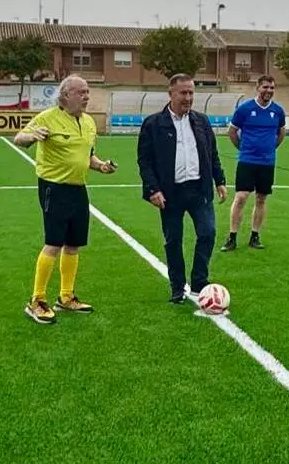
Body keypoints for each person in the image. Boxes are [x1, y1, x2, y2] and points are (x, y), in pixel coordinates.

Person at [14, 75, 118, 324]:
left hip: (78, 189)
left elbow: (88, 156)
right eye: (81, 92)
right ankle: (37, 300)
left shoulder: (90, 123)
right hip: (54, 188)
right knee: (53, 243)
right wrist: (32, 136)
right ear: (65, 96)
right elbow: (19, 139)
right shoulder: (47, 117)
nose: (86, 96)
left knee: (73, 244)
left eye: (87, 91)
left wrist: (101, 166)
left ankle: (66, 296)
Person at [137, 73, 228, 303]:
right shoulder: (153, 124)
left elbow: (212, 154)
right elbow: (145, 161)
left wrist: (220, 181)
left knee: (208, 233)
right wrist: (153, 189)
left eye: (191, 93)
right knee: (173, 240)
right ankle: (177, 287)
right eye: (183, 93)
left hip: (199, 190)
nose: (188, 98)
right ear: (171, 94)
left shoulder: (202, 121)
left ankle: (199, 281)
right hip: (170, 193)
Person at [222, 75, 287, 251]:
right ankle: (232, 236)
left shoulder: (278, 111)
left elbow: (281, 132)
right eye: (265, 87)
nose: (269, 91)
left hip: (267, 162)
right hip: (247, 161)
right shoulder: (245, 109)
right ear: (257, 88)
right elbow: (232, 132)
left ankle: (255, 236)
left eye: (272, 88)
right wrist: (243, 149)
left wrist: (270, 148)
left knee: (261, 198)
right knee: (241, 197)